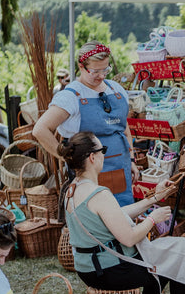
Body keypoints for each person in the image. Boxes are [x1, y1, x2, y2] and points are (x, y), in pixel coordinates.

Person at [60, 132, 185, 294]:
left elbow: (116, 215)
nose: (104, 155)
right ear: (92, 158)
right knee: (180, 250)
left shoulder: (71, 189)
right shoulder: (99, 194)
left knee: (166, 251)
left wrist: (155, 197)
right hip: (111, 271)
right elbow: (129, 238)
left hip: (89, 269)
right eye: (103, 150)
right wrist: (151, 219)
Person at [33, 41, 138, 207]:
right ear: (81, 67)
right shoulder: (71, 97)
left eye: (106, 69)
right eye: (95, 71)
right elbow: (40, 130)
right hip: (89, 176)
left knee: (123, 217)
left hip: (121, 170)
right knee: (98, 218)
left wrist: (132, 160)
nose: (102, 76)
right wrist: (67, 158)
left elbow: (123, 128)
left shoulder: (116, 90)